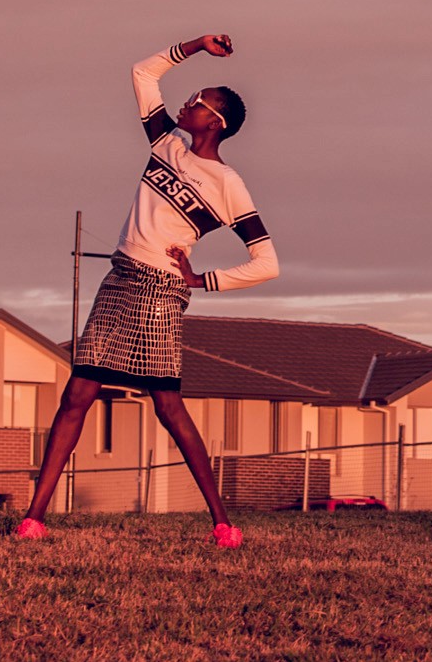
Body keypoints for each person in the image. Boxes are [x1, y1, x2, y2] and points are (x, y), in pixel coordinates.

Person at [15, 33, 278, 546]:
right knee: (77, 395)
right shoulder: (166, 143)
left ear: (215, 122)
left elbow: (266, 262)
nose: (187, 103)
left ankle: (223, 524)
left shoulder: (228, 184)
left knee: (168, 407)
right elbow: (143, 72)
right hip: (119, 278)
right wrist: (196, 45)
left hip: (160, 291)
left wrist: (202, 280)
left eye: (198, 101)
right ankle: (34, 519)